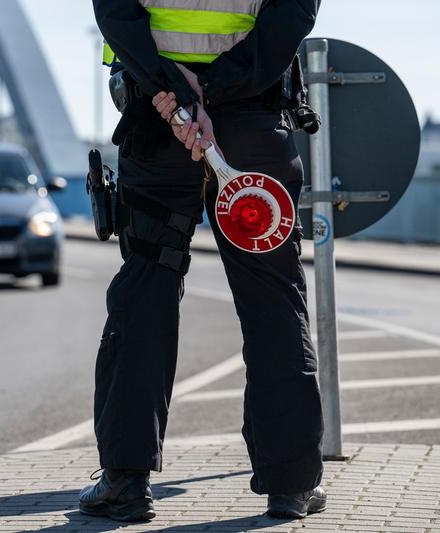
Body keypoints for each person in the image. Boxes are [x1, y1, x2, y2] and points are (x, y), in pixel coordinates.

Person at [79, 0, 326, 522]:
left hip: (158, 118)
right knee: (272, 298)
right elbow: (294, 12)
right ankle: (290, 483)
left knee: (146, 287)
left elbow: (116, 12)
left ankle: (125, 480)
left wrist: (178, 92)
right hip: (255, 126)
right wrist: (216, 89)